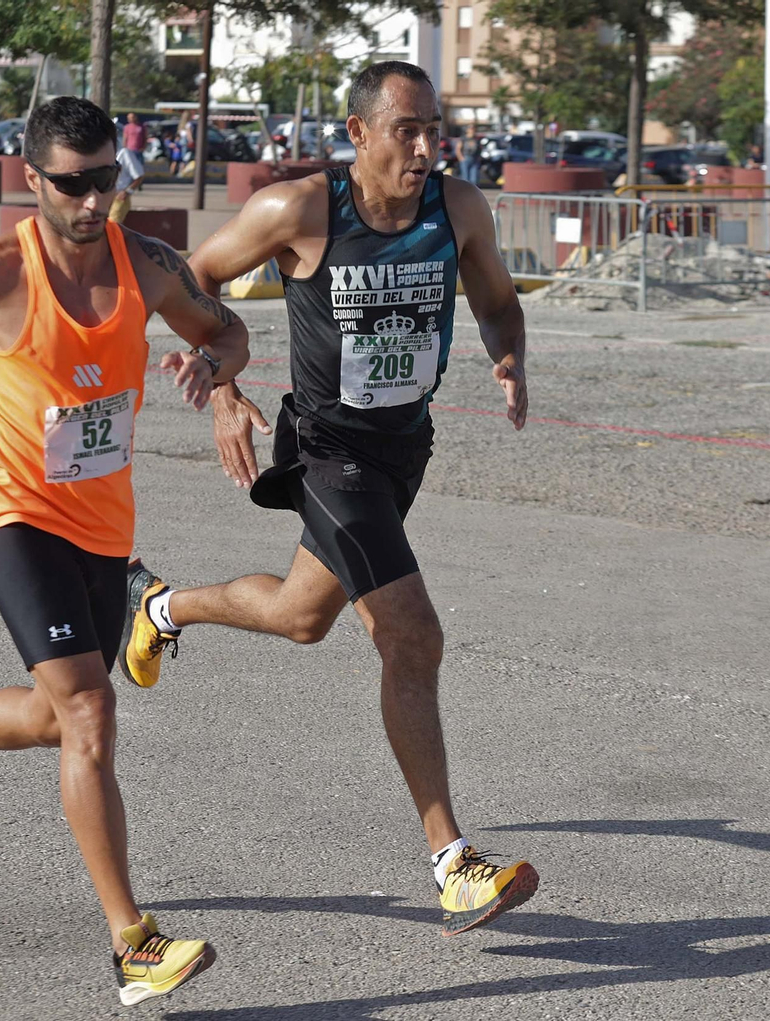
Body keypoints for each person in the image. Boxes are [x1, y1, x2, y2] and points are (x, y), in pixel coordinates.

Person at [121, 60, 539, 937]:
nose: (426, 148)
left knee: (302, 614)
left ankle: (160, 606)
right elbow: (189, 279)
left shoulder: (457, 209)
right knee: (411, 633)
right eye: (406, 130)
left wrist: (509, 354)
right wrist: (224, 389)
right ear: (358, 134)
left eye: (435, 129)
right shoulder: (303, 209)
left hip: (401, 452)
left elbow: (498, 300)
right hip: (324, 450)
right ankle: (452, 862)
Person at [0, 96, 250, 1005]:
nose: (92, 198)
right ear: (31, 179)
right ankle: (133, 943)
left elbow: (226, 328)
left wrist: (216, 369)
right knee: (90, 711)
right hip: (13, 513)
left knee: (53, 716)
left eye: (107, 177)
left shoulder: (145, 263)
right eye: (72, 183)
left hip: (104, 526)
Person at [120, 112, 147, 190]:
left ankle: (139, 184)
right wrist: (125, 148)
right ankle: (131, 184)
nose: (131, 119)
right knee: (131, 168)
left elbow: (145, 138)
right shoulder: (127, 127)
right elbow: (125, 138)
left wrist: (143, 147)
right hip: (130, 150)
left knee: (140, 167)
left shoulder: (141, 127)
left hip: (139, 150)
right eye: (129, 118)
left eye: (132, 117)